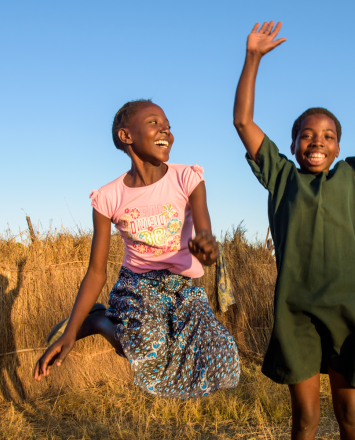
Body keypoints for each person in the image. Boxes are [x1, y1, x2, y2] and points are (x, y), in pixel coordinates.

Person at [34, 99, 240, 398]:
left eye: (167, 125)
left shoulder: (187, 178)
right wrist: (69, 333)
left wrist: (207, 250)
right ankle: (98, 321)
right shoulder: (108, 198)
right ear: (126, 135)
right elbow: (96, 271)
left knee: (220, 357)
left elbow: (205, 237)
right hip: (138, 284)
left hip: (182, 286)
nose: (165, 129)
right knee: (146, 344)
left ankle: (106, 321)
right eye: (154, 122)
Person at [233, 21, 355, 440]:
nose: (318, 141)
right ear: (293, 141)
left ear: (339, 146)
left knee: (351, 417)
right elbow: (243, 122)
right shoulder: (281, 176)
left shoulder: (352, 174)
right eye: (307, 135)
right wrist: (253, 58)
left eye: (329, 136)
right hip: (295, 311)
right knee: (306, 420)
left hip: (346, 309)